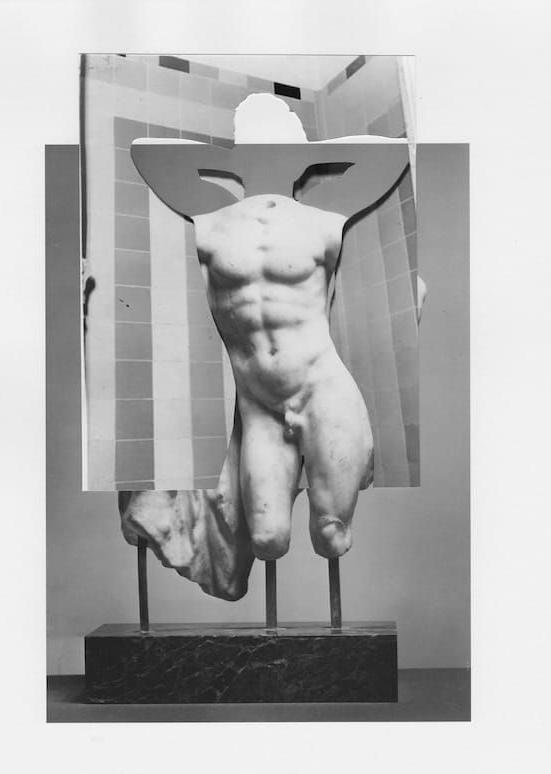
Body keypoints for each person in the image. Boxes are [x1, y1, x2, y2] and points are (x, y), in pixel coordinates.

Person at [122, 94, 413, 596]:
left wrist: (304, 157)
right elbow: (145, 153)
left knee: (331, 536)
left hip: (323, 390)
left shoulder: (325, 219)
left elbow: (393, 155)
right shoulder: (209, 222)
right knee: (268, 540)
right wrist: (238, 165)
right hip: (259, 406)